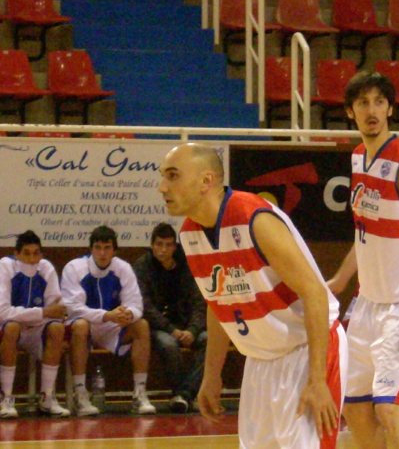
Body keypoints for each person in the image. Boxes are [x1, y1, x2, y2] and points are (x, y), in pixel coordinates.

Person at [158, 143, 347, 449]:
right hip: (260, 359)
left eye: (173, 175)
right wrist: (211, 375)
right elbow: (218, 302)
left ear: (206, 181)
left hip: (306, 350)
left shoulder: (254, 218)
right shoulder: (190, 234)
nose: (162, 187)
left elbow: (315, 294)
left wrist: (317, 378)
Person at [328, 71, 399, 449]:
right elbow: (366, 232)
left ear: (391, 108)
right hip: (368, 302)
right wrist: (340, 280)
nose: (372, 110)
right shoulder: (358, 157)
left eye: (379, 102)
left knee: (391, 409)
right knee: (355, 408)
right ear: (350, 112)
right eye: (363, 103)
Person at [61, 225, 156, 416]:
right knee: (80, 325)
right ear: (91, 249)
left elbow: (136, 304)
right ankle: (80, 394)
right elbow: (73, 308)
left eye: (107, 248)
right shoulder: (74, 268)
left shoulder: (123, 268)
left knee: (141, 326)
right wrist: (106, 315)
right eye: (98, 248)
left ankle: (139, 393)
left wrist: (128, 314)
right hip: (85, 324)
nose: (102, 253)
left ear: (114, 250)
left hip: (112, 325)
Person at [133, 222, 207, 413]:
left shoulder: (188, 265)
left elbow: (199, 302)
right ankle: (183, 394)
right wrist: (171, 329)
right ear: (152, 245)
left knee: (208, 339)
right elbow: (145, 306)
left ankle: (184, 394)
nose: (163, 249)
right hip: (159, 327)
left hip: (187, 325)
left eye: (168, 245)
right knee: (169, 345)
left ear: (175, 246)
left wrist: (192, 330)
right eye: (159, 244)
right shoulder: (142, 266)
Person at [0, 230, 70, 418]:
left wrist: (45, 314)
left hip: (36, 329)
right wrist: (42, 312)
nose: (32, 259)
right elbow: (3, 312)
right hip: (9, 329)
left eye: (36, 253)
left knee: (56, 328)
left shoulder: (46, 269)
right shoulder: (5, 267)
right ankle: (6, 398)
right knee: (12, 326)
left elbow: (56, 311)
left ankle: (47, 397)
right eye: (27, 253)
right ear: (16, 254)